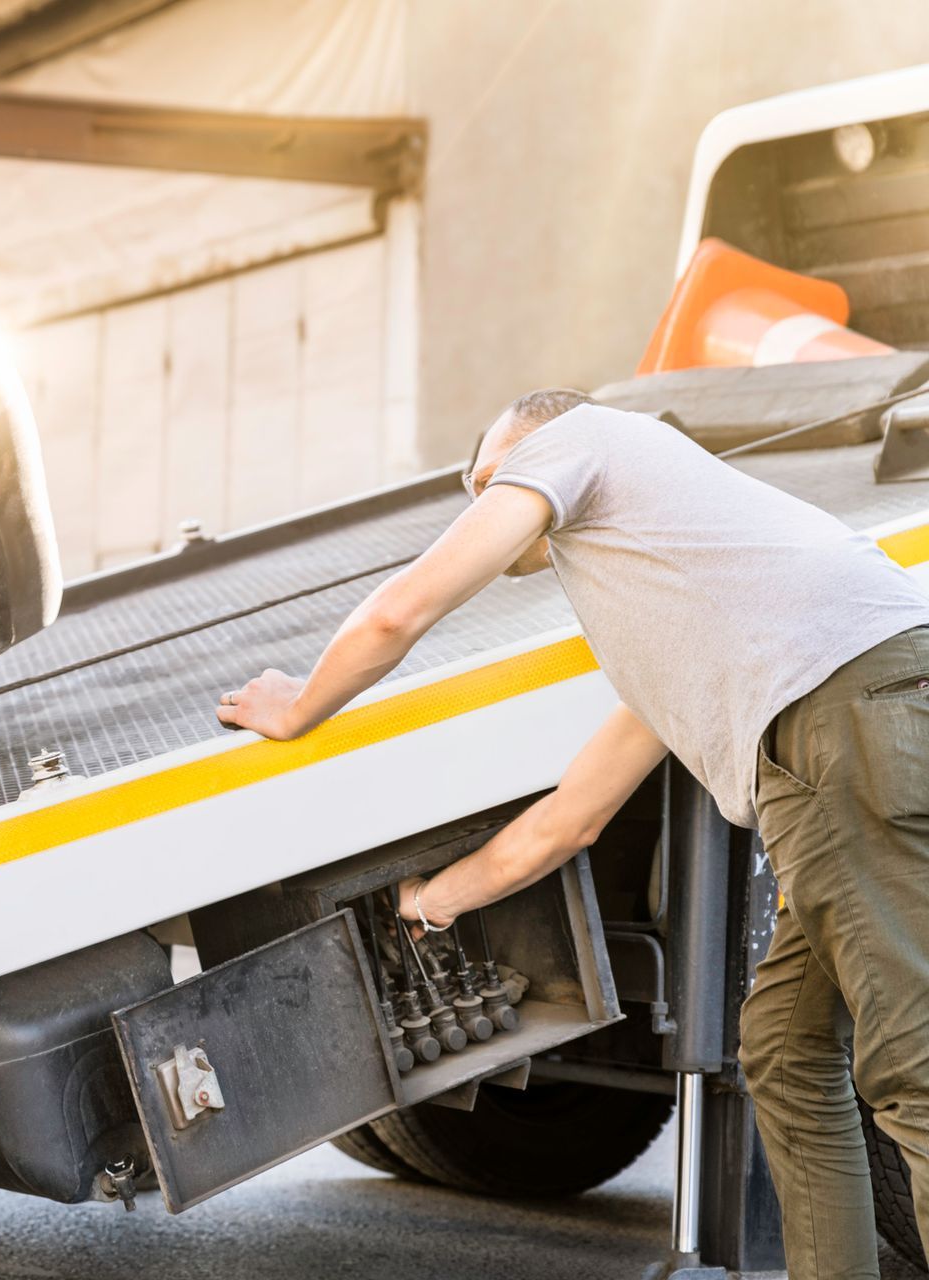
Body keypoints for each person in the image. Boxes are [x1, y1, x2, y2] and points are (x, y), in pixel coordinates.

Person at [216, 388, 929, 1280]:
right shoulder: (687, 623)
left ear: (537, 438)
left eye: (493, 476)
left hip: (851, 732)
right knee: (784, 1057)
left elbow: (406, 609)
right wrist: (427, 905)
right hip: (835, 758)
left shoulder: (589, 437)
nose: (487, 502)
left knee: (911, 1065)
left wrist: (301, 704)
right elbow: (569, 821)